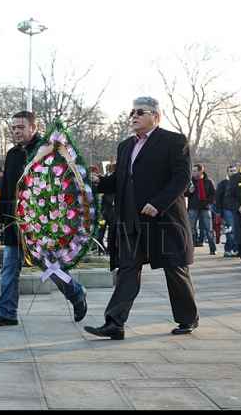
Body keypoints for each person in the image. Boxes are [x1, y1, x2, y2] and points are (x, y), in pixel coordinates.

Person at [84, 97, 200, 339]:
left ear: (156, 117)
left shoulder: (173, 141)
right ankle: (114, 323)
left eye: (140, 112)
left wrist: (157, 204)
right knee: (127, 269)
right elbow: (120, 181)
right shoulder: (125, 146)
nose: (134, 116)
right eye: (132, 112)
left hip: (163, 220)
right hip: (129, 221)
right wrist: (99, 182)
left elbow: (181, 178)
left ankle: (187, 319)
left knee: (175, 269)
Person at [0, 110, 88, 327]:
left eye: (20, 127)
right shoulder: (12, 154)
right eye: (13, 128)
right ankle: (7, 312)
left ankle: (76, 294)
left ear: (33, 127)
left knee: (50, 267)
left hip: (42, 222)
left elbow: (59, 185)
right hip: (15, 222)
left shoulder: (46, 151)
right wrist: (2, 217)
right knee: (10, 267)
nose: (16, 132)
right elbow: (8, 188)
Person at [185, 163, 217, 255]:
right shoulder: (190, 181)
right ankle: (190, 249)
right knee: (191, 229)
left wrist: (207, 202)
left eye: (195, 171)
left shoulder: (208, 181)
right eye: (192, 171)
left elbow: (213, 194)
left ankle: (213, 248)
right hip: (193, 207)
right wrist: (189, 192)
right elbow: (184, 194)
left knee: (209, 229)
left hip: (205, 207)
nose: (193, 173)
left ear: (200, 171)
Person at [215, 165, 239, 257]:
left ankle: (228, 249)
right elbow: (218, 197)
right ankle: (234, 249)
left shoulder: (239, 182)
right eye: (231, 171)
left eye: (234, 170)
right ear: (227, 172)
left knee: (236, 229)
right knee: (231, 229)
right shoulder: (223, 184)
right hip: (226, 209)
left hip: (237, 209)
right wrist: (219, 210)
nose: (233, 172)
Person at [95, 163, 115, 254]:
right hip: (106, 210)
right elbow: (105, 196)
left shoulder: (112, 178)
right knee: (101, 231)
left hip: (112, 210)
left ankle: (109, 248)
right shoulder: (108, 179)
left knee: (111, 231)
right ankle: (100, 248)